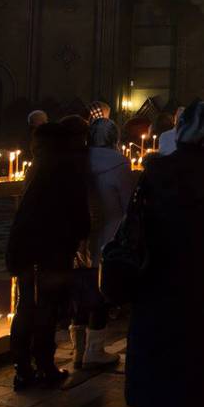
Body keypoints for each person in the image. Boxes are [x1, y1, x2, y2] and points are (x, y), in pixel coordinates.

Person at [125, 101, 204, 407]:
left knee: (158, 394)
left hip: (153, 294)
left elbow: (134, 231)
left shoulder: (154, 172)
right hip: (199, 298)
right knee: (188, 395)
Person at [6, 122, 91, 390]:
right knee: (47, 307)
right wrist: (82, 233)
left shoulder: (37, 165)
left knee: (25, 306)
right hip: (52, 248)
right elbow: (77, 210)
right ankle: (44, 365)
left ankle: (22, 369)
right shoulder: (67, 168)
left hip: (24, 246)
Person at [70, 118, 134, 369]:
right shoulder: (118, 163)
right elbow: (128, 201)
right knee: (100, 291)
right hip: (111, 230)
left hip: (83, 233)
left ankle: (78, 350)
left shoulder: (80, 159)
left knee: (81, 289)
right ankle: (94, 350)